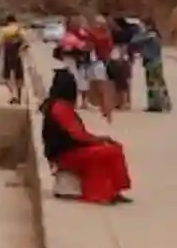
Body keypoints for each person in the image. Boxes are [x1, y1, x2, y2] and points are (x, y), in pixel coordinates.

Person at [39, 68, 134, 205]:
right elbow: (78, 135)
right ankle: (100, 194)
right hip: (65, 154)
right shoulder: (59, 107)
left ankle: (115, 190)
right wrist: (99, 140)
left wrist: (99, 139)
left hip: (70, 149)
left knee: (115, 148)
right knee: (105, 152)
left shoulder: (59, 105)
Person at [138, 18, 171, 113]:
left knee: (157, 84)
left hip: (154, 62)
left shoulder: (152, 35)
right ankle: (154, 105)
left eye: (142, 25)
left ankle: (163, 104)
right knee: (151, 85)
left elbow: (136, 40)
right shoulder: (147, 35)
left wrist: (145, 36)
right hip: (150, 62)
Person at [108, 15, 137, 111]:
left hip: (121, 58)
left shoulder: (120, 35)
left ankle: (123, 102)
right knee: (122, 81)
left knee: (122, 81)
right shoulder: (122, 33)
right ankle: (124, 101)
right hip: (123, 57)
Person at [0, 18, 28, 101]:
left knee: (7, 76)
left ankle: (13, 95)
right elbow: (26, 43)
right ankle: (19, 96)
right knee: (19, 76)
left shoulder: (4, 30)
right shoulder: (19, 29)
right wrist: (20, 50)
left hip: (8, 55)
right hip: (17, 55)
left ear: (7, 22)